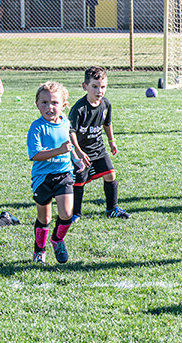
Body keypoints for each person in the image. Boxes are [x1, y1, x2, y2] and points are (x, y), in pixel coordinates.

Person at [28, 81, 82, 264]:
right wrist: (59, 150)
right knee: (44, 217)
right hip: (42, 178)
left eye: (54, 103)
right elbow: (35, 155)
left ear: (63, 105)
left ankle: (57, 239)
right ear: (37, 104)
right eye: (44, 103)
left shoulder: (65, 122)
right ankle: (39, 251)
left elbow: (68, 144)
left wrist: (76, 158)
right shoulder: (37, 127)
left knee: (67, 213)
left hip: (64, 174)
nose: (49, 107)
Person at [68, 66, 131, 222]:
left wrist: (112, 141)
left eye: (103, 87)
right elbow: (71, 132)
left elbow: (107, 123)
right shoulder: (79, 108)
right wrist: (78, 152)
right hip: (81, 151)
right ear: (85, 86)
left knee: (110, 175)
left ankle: (112, 209)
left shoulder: (105, 104)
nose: (99, 91)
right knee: (79, 182)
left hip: (99, 149)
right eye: (95, 86)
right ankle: (75, 213)